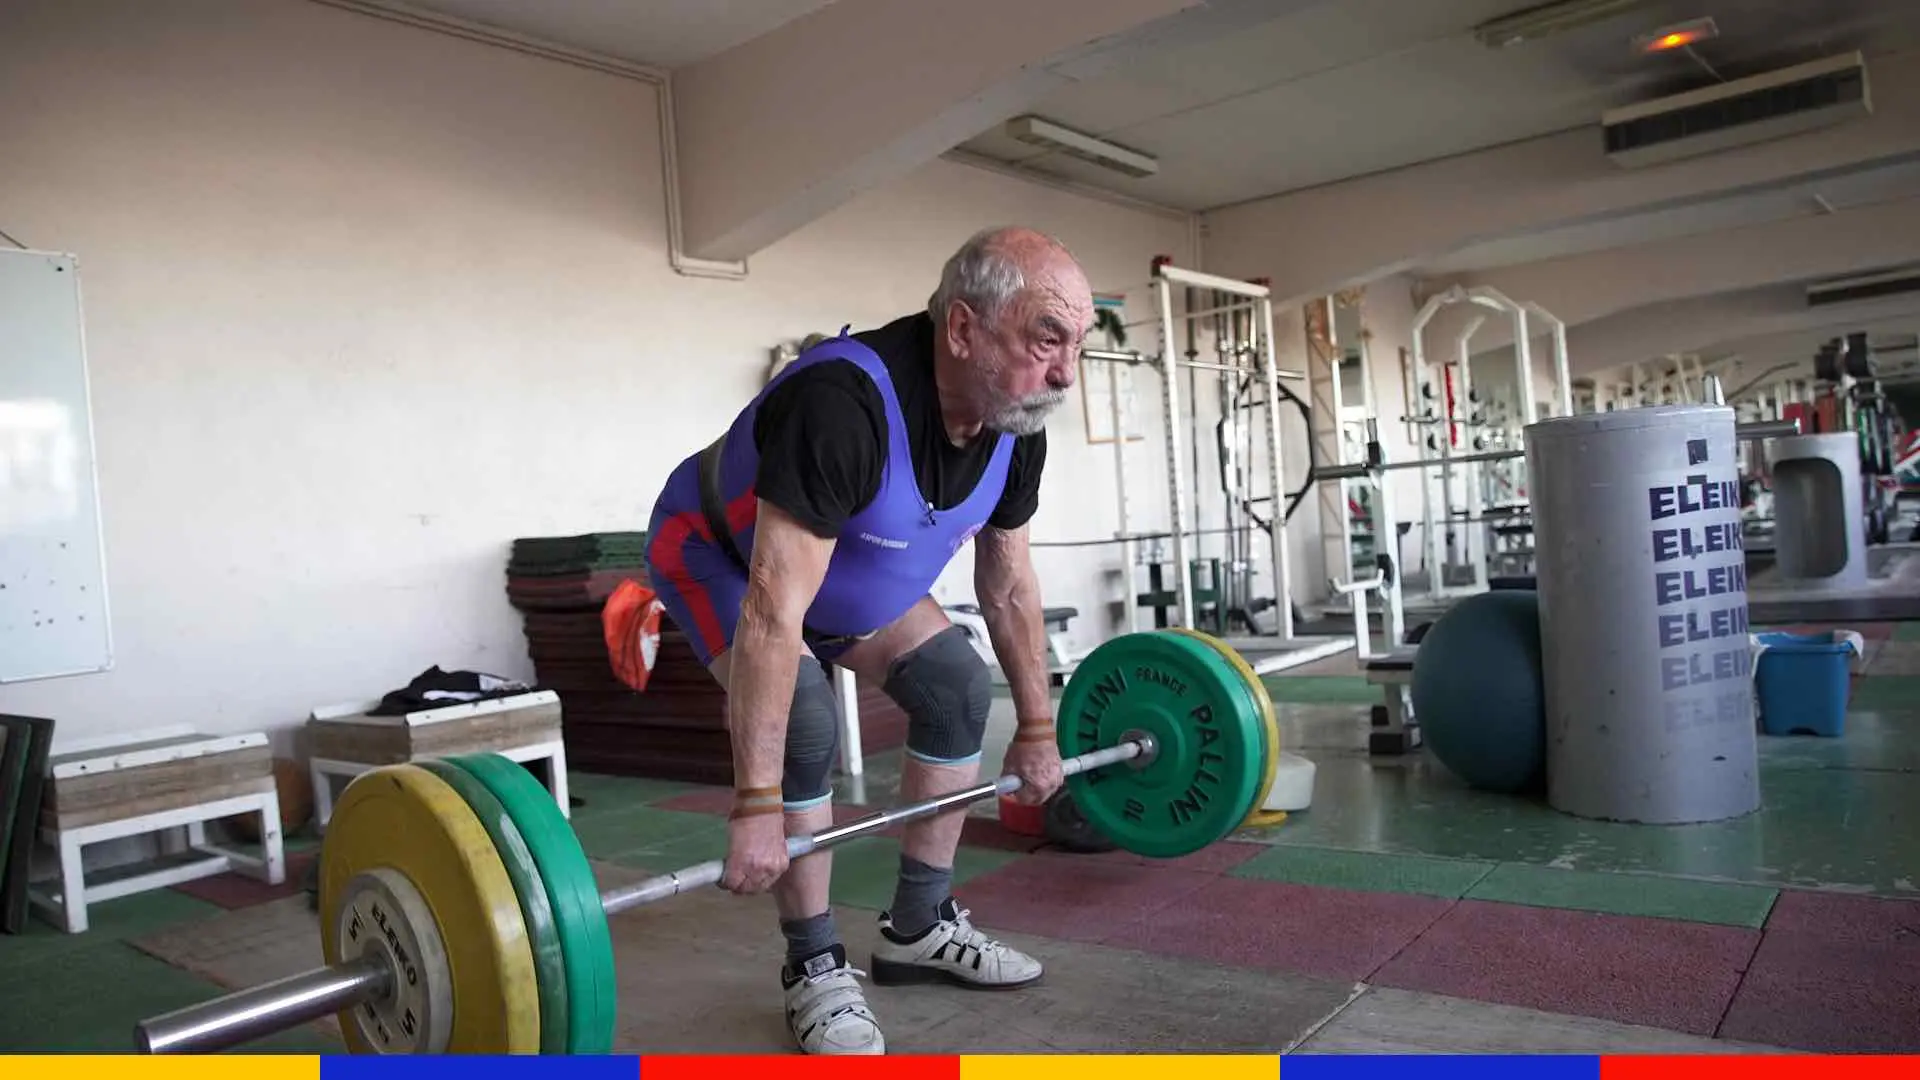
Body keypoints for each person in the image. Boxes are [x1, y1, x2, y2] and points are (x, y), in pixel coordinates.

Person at [642, 225, 1093, 1055]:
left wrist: (1036, 726)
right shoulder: (841, 405)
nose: (1066, 372)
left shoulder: (1014, 420)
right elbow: (777, 613)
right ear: (961, 329)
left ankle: (920, 925)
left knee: (955, 686)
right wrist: (756, 807)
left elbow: (1009, 582)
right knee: (807, 715)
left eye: (1077, 345)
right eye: (1047, 338)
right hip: (720, 554)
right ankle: (813, 965)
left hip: (838, 565)